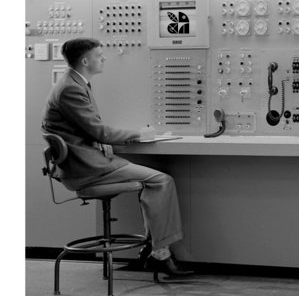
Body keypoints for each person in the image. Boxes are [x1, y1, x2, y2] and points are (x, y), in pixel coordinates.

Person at [41, 37, 193, 277]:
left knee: (154, 181)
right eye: (99, 55)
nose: (104, 58)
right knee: (162, 181)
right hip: (86, 169)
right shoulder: (71, 88)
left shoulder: (72, 82)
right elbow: (98, 130)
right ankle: (160, 254)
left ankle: (156, 250)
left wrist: (98, 139)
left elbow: (83, 128)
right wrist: (139, 134)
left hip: (83, 161)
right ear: (85, 60)